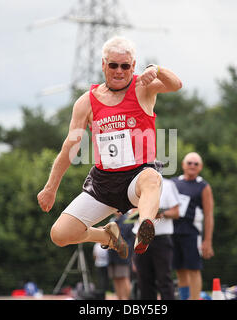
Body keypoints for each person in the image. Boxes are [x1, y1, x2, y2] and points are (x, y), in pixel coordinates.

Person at [37, 36, 182, 260]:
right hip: (104, 182)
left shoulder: (143, 87)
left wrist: (157, 69)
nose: (119, 71)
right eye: (113, 65)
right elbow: (70, 146)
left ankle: (144, 227)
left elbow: (176, 85)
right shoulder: (86, 102)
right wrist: (50, 187)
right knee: (60, 234)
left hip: (137, 176)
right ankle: (107, 237)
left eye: (125, 66)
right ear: (103, 65)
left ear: (133, 66)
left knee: (152, 178)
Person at [171, 152, 215, 300]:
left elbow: (209, 215)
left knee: (194, 269)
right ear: (183, 165)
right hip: (173, 231)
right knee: (180, 269)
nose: (192, 166)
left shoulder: (203, 186)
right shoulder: (174, 183)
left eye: (196, 164)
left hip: (192, 232)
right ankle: (184, 298)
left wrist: (207, 240)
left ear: (200, 167)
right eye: (189, 163)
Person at [132, 178, 180, 300]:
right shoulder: (136, 184)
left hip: (161, 239)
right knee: (144, 279)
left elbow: (176, 212)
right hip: (141, 237)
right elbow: (130, 211)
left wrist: (162, 214)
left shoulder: (168, 185)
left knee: (164, 278)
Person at [107, 212, 135, 300]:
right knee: (116, 278)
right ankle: (119, 298)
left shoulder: (127, 220)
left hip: (123, 255)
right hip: (112, 256)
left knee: (123, 278)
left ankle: (126, 298)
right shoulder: (112, 220)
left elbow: (121, 236)